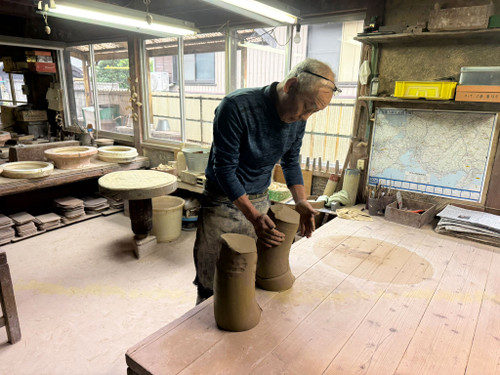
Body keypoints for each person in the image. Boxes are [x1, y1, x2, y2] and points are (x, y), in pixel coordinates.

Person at [193, 58, 338, 304]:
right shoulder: (236, 107)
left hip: (259, 200)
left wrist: (301, 201)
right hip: (222, 202)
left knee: (246, 276)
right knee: (213, 280)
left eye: (315, 112)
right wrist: (253, 216)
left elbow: (291, 161)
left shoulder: (297, 120)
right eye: (307, 107)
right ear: (291, 86)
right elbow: (224, 170)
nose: (306, 117)